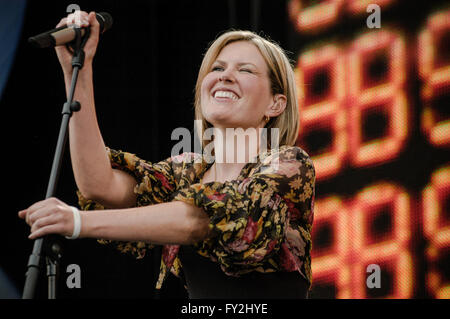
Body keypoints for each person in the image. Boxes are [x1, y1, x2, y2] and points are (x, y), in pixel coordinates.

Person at [19, 11, 316, 299]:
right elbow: (99, 184)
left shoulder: (289, 165)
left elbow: (202, 219)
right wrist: (78, 73)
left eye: (245, 70)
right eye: (217, 68)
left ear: (276, 105)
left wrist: (78, 223)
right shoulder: (185, 172)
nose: (225, 76)